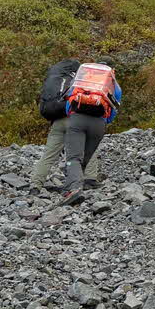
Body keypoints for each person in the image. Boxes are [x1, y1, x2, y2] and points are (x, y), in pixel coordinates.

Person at [31, 58, 99, 189]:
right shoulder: (78, 80)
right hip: (76, 120)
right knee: (89, 146)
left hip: (57, 122)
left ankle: (35, 184)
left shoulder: (53, 80)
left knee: (49, 155)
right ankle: (89, 179)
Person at [61, 61, 121, 205]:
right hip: (99, 124)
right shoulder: (113, 84)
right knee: (85, 158)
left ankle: (74, 188)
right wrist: (105, 122)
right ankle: (74, 185)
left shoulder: (83, 77)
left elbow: (69, 99)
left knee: (74, 157)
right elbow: (114, 109)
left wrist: (72, 115)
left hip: (77, 119)